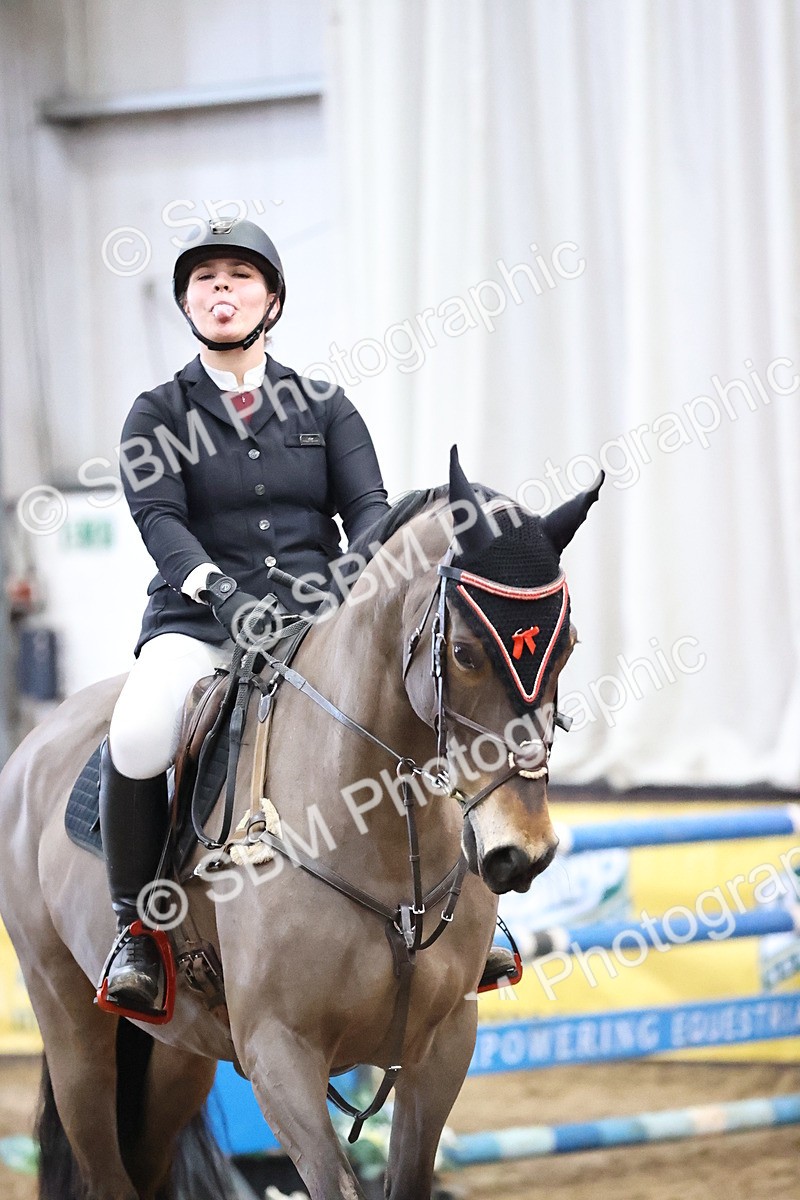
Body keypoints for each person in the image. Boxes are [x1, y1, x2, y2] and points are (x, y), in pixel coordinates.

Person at [100, 217, 390, 1012]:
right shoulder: (156, 411)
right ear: (187, 303)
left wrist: (343, 588)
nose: (220, 288)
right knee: (137, 734)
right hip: (200, 622)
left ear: (272, 300)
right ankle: (138, 931)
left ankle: (465, 907)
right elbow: (160, 520)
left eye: (238, 275)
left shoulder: (324, 406)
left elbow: (370, 508)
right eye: (204, 278)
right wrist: (221, 595)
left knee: (411, 704)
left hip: (315, 617)